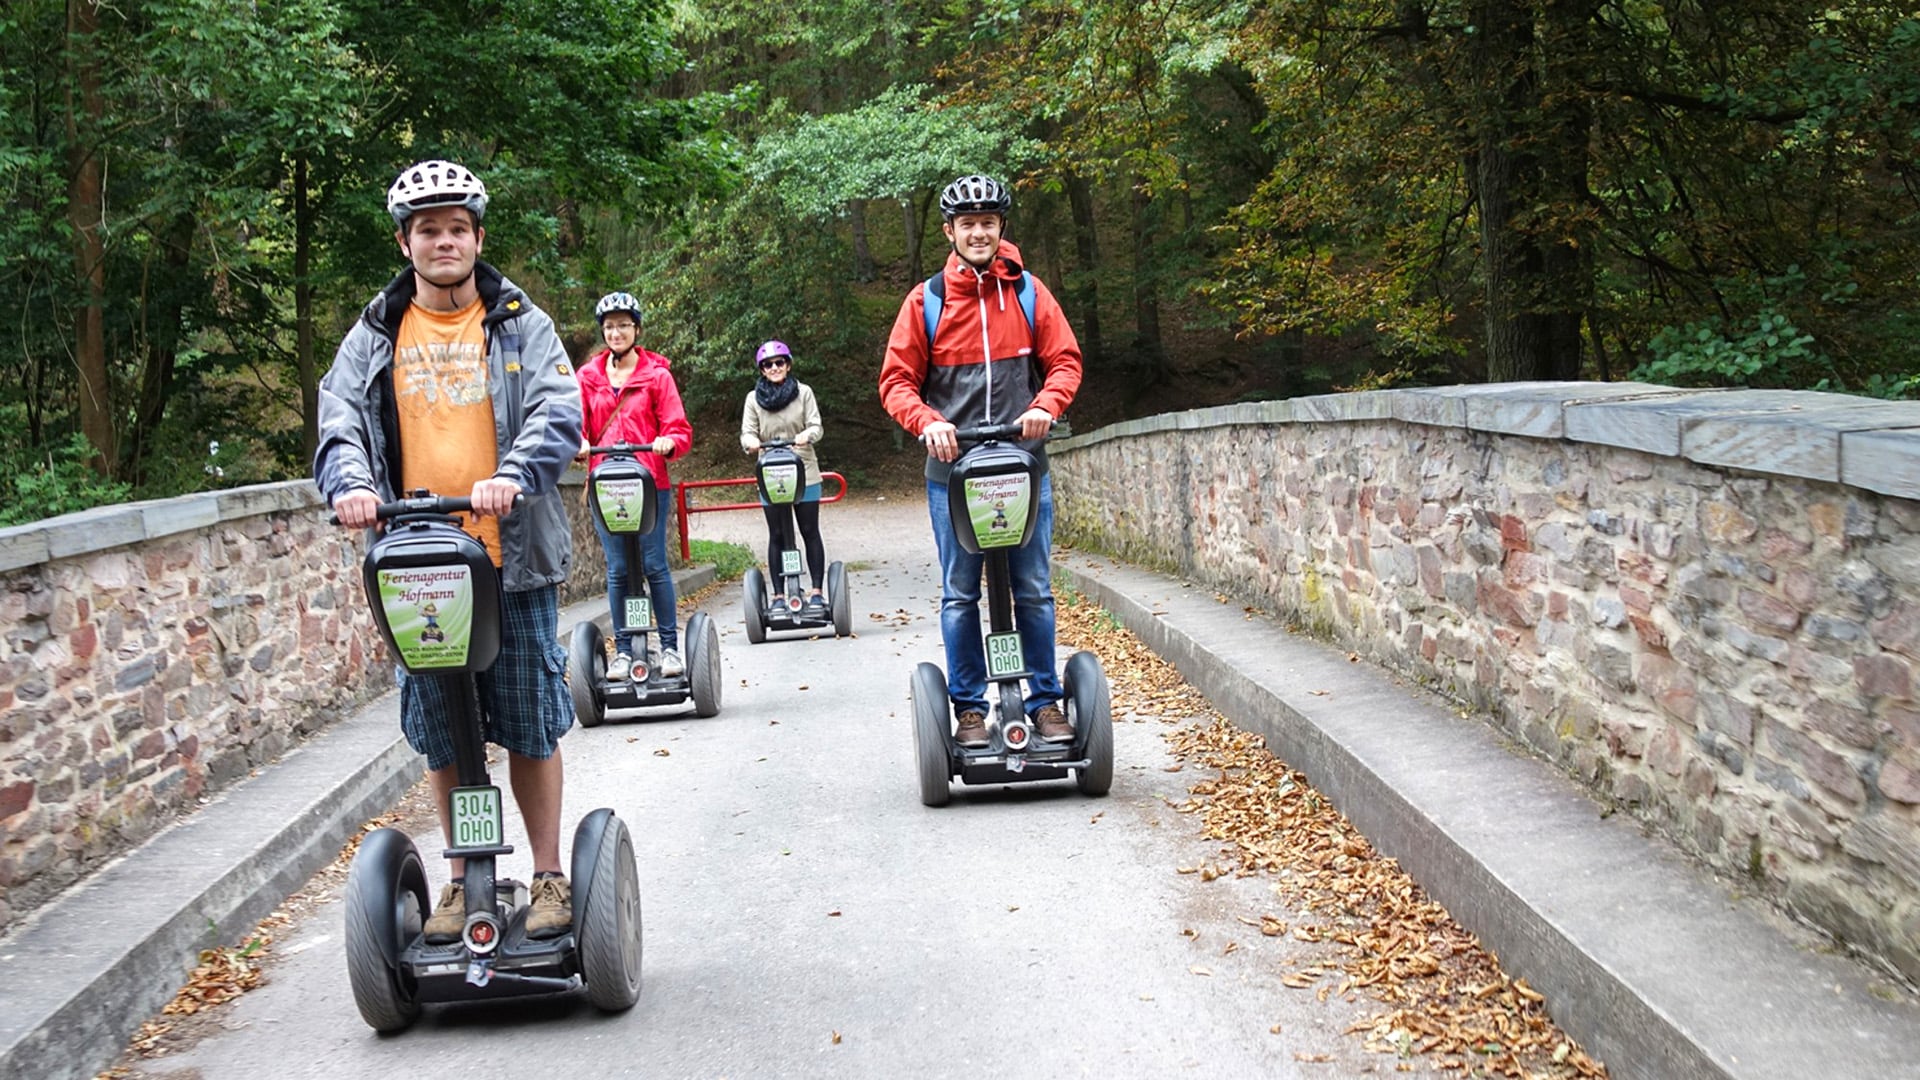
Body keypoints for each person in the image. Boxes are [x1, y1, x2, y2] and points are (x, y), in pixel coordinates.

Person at [315, 159, 583, 942]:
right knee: (441, 725)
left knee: (530, 720)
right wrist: (351, 486)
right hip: (417, 562)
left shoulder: (519, 322)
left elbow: (557, 408)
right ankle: (470, 878)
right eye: (428, 229)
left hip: (513, 555)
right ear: (405, 242)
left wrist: (513, 474)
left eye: (456, 228)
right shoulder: (374, 334)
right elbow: (339, 423)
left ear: (477, 237)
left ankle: (548, 876)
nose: (444, 241)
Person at [878, 174, 1084, 749]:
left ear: (1001, 229)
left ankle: (1044, 702)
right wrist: (929, 421)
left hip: (1023, 466)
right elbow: (896, 382)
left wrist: (1045, 406)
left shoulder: (1029, 293)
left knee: (1035, 588)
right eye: (966, 223)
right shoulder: (927, 301)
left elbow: (1065, 361)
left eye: (987, 222)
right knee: (959, 592)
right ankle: (969, 708)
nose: (977, 231)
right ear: (950, 231)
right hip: (954, 472)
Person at [575, 291, 693, 681]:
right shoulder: (588, 378)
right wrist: (578, 444)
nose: (616, 332)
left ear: (636, 329)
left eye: (623, 325)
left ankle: (670, 648)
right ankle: (624, 651)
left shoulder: (657, 376)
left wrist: (668, 441)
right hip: (606, 486)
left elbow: (679, 428)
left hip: (648, 483)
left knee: (655, 564)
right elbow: (575, 425)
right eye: (609, 327)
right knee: (619, 568)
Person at [739, 340, 827, 611]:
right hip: (771, 472)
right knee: (776, 533)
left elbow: (816, 426)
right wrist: (751, 442)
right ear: (762, 370)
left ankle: (815, 591)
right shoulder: (754, 399)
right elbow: (747, 432)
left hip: (804, 471)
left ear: (788, 365)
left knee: (809, 530)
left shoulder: (804, 393)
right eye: (768, 364)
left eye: (779, 362)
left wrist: (806, 436)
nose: (774, 367)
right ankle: (778, 595)